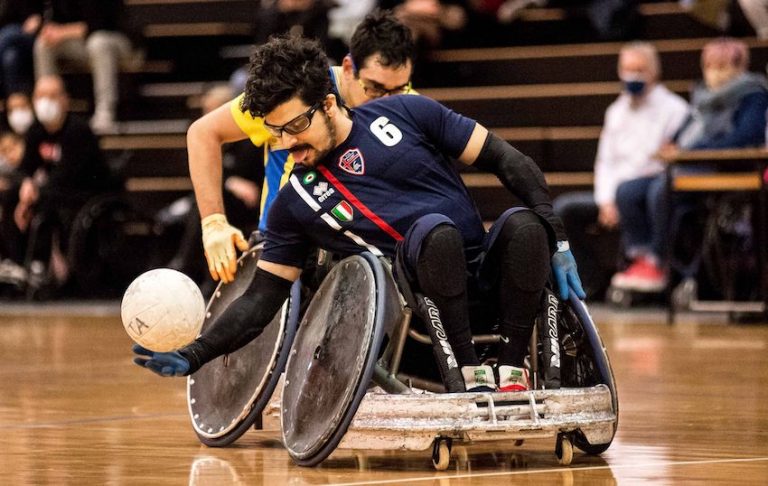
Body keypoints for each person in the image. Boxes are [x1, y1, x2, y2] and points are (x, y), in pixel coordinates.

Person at [133, 36, 585, 395]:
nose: (287, 143)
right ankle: (468, 371)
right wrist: (197, 353)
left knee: (525, 225)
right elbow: (261, 299)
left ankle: (512, 365)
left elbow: (509, 161)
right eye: (275, 133)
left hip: (484, 273)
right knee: (435, 232)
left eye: (295, 126)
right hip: (418, 300)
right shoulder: (294, 202)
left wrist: (559, 240)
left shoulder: (408, 111)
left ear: (328, 104)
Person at [190, 9, 417, 243]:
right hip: (286, 242)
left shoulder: (408, 103)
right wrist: (213, 222)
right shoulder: (295, 93)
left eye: (398, 90)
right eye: (374, 87)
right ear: (349, 68)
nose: (387, 101)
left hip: (362, 242)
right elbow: (203, 132)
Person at [614, 37, 768, 292]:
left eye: (721, 65)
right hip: (688, 167)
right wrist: (673, 145)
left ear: (739, 66)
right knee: (628, 191)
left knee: (661, 189)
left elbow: (744, 138)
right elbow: (685, 132)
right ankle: (640, 256)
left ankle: (658, 261)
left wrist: (692, 150)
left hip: (722, 171)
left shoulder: (753, 94)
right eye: (709, 65)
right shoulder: (702, 97)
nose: (714, 72)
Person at [554, 42, 689, 296]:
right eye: (627, 69)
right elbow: (605, 161)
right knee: (564, 210)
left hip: (645, 191)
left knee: (634, 193)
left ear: (654, 72)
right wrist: (606, 201)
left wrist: (619, 196)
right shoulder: (615, 111)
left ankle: (650, 266)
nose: (632, 76)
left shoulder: (675, 110)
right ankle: (590, 280)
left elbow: (661, 161)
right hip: (614, 195)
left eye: (639, 69)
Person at [160, 84, 264, 289]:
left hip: (251, 202)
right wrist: (229, 181)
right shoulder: (201, 135)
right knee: (198, 208)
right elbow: (196, 172)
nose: (208, 116)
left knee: (208, 206)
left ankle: (187, 268)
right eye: (205, 110)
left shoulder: (251, 136)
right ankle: (190, 269)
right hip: (214, 201)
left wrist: (233, 183)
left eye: (213, 110)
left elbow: (254, 183)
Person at [14, 74, 113, 288]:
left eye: (51, 95)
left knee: (46, 200)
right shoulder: (36, 131)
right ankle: (13, 263)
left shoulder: (78, 130)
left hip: (85, 191)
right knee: (10, 193)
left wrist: (32, 195)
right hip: (53, 191)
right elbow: (24, 168)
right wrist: (26, 183)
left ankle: (41, 266)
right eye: (40, 95)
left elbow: (68, 175)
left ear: (65, 99)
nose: (45, 102)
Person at [33, 0, 135, 134]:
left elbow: (100, 24)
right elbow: (53, 19)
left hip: (118, 41)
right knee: (43, 44)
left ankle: (105, 112)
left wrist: (62, 32)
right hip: (82, 42)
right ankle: (48, 107)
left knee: (98, 43)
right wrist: (48, 29)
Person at [0, 0, 40, 98]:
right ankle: (17, 107)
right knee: (10, 57)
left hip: (33, 35)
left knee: (7, 35)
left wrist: (39, 18)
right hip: (9, 46)